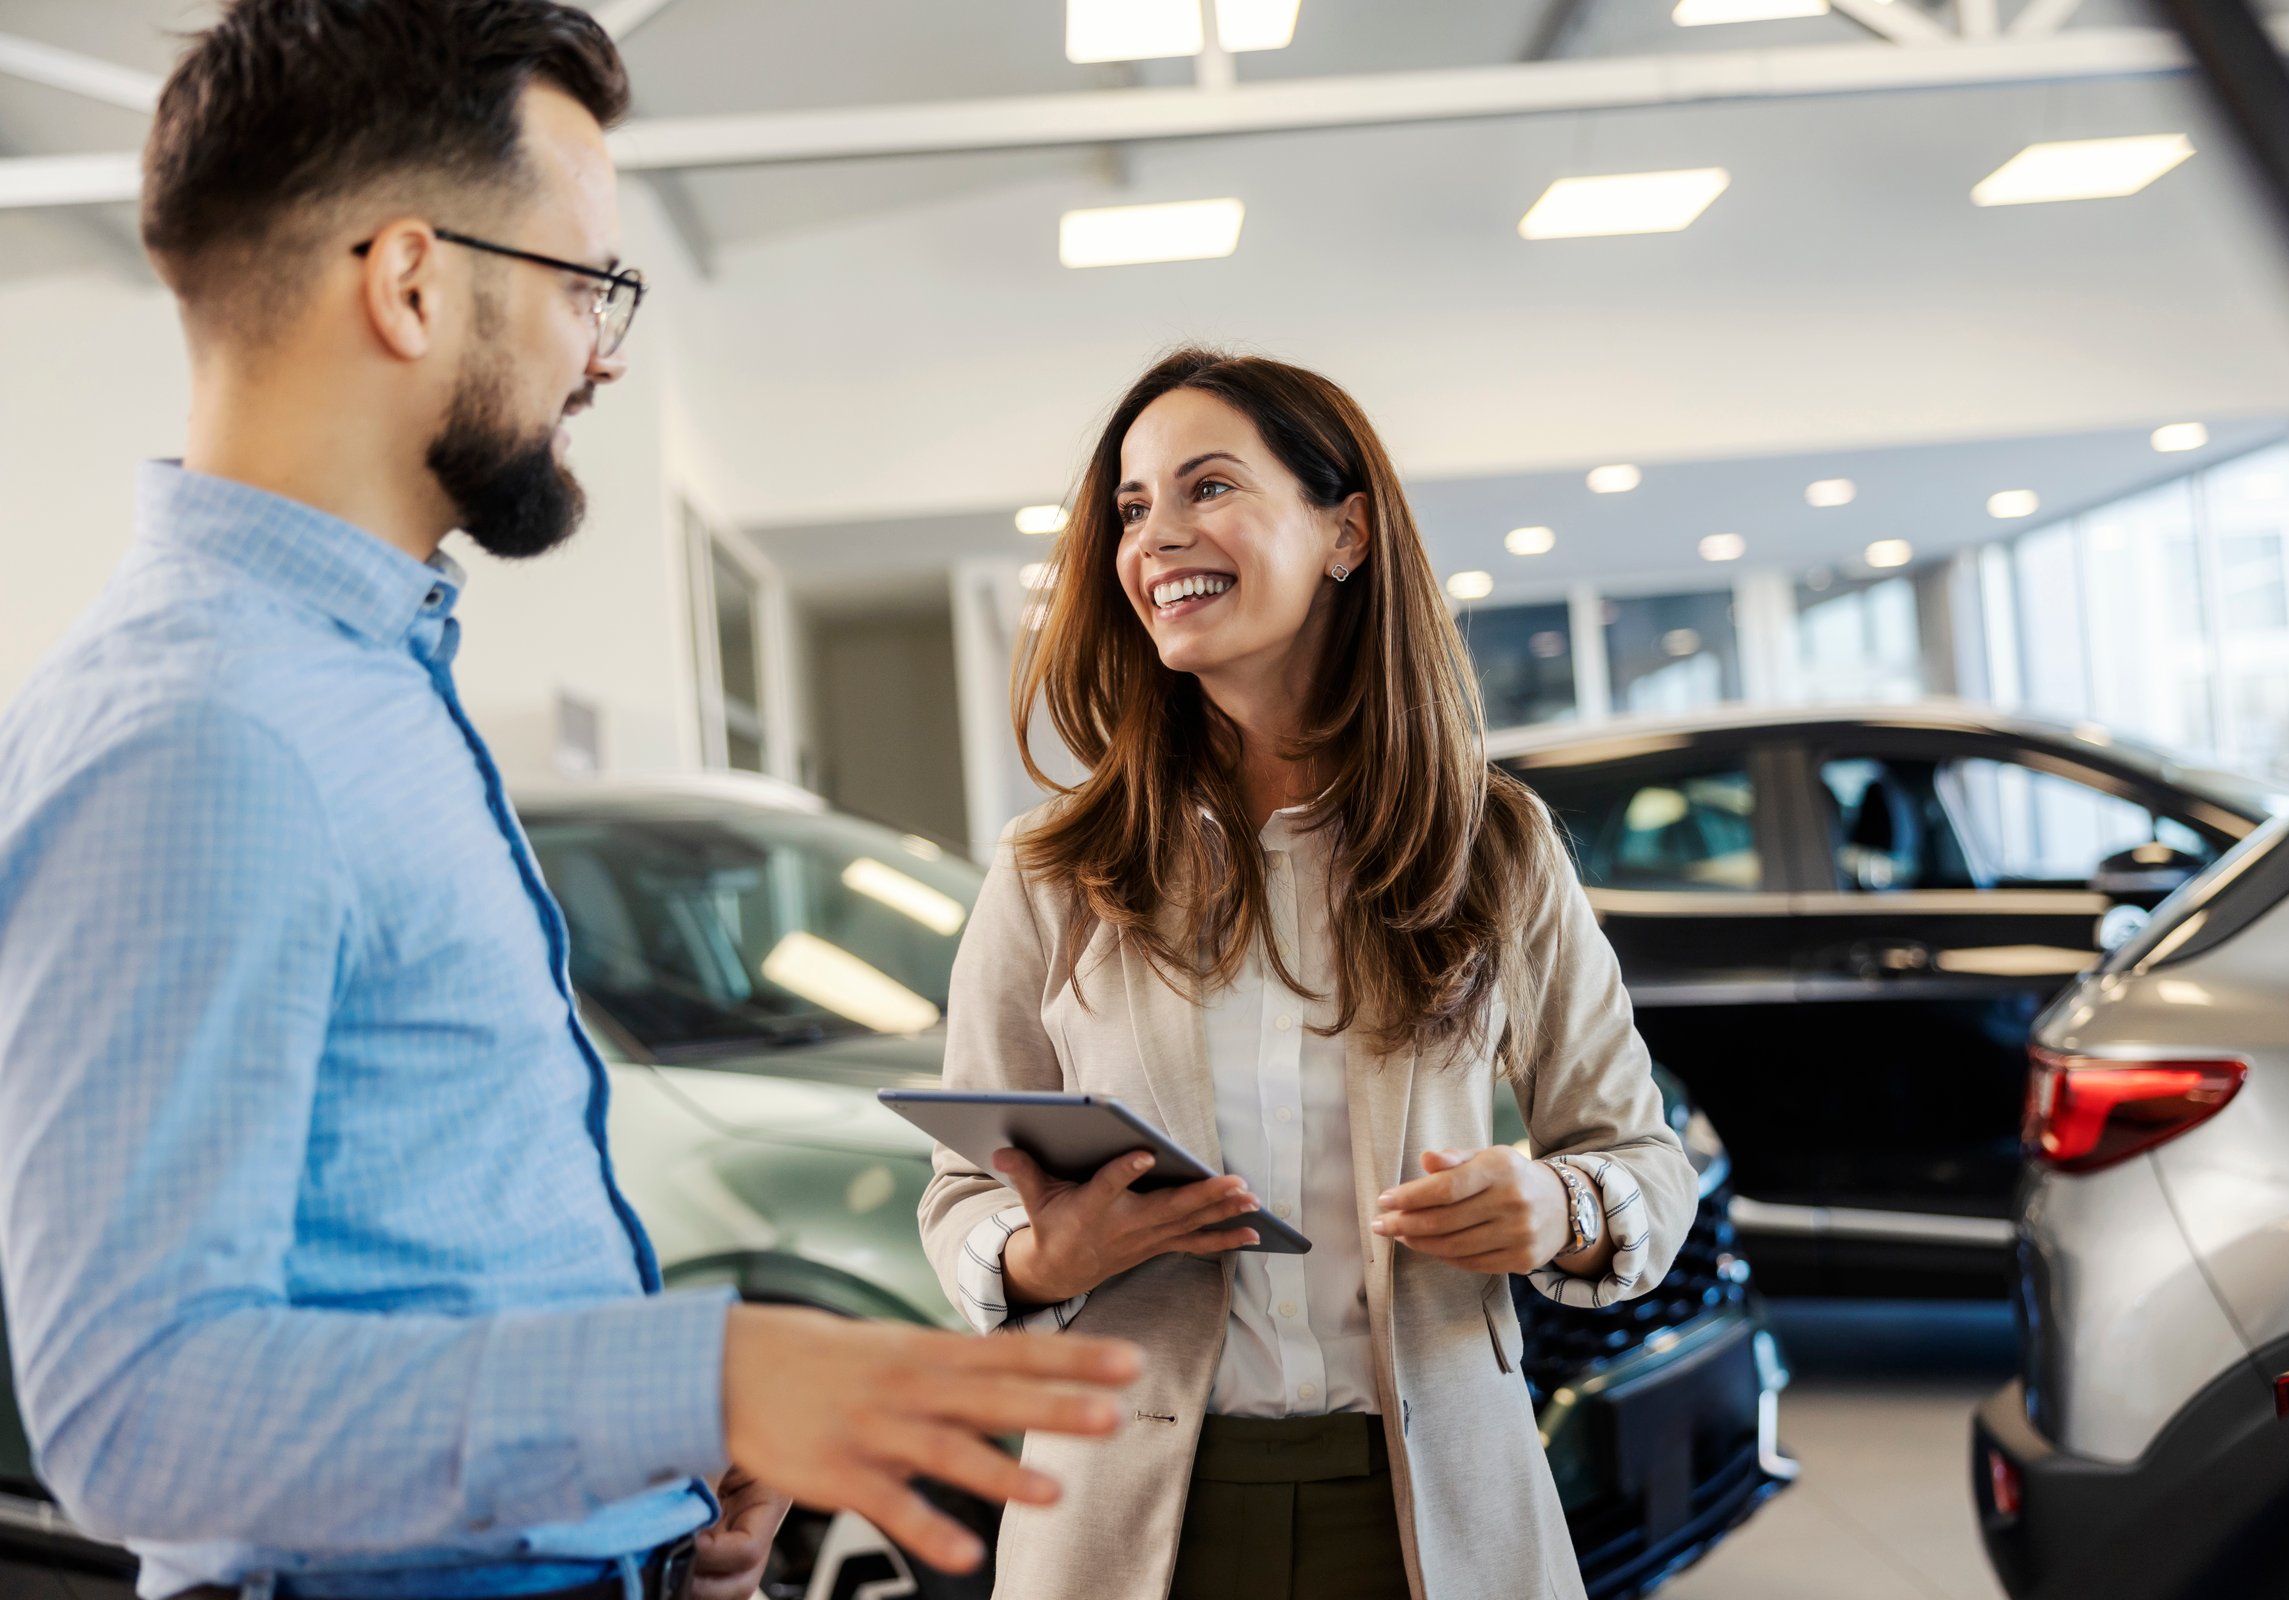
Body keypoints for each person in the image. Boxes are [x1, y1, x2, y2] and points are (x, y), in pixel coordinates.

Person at [0, 5, 1137, 1599]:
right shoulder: (204, 733)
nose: (600, 352)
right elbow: (130, 1412)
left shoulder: (361, 680)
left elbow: (423, 1250)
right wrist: (701, 1377)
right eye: (582, 282)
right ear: (411, 282)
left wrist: (652, 1487)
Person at [918, 348, 1701, 1600]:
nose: (1156, 536)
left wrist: (1554, 1210)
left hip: (1431, 1515)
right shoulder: (1053, 871)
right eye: (1131, 508)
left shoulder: (1491, 846)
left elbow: (1643, 1160)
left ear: (1344, 534)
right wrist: (1040, 1260)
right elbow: (963, 1192)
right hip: (1130, 1527)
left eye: (1206, 486)